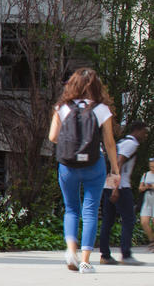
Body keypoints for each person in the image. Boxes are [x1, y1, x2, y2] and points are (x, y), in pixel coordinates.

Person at [48, 68, 120, 273]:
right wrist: (115, 169)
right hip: (94, 164)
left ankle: (71, 251)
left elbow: (53, 137)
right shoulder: (101, 109)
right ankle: (86, 261)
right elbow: (109, 142)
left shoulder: (61, 107)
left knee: (71, 208)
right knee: (90, 211)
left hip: (68, 165)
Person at [98, 120, 147, 265]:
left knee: (108, 220)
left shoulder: (122, 142)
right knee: (129, 220)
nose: (145, 135)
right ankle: (126, 255)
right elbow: (118, 162)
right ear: (137, 131)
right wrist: (116, 188)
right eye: (144, 132)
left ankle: (105, 255)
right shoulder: (131, 144)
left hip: (107, 185)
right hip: (120, 187)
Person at [139, 160, 154, 252]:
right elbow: (140, 188)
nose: (152, 168)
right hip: (147, 199)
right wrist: (145, 187)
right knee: (144, 222)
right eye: (151, 166)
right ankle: (152, 240)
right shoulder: (145, 175)